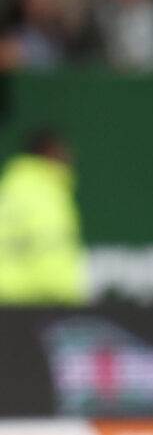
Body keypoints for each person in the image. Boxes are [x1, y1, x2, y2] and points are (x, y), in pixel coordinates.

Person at [0, 129, 88, 305]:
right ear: (48, 152)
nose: (69, 156)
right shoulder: (43, 192)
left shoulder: (11, 187)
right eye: (62, 150)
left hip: (11, 302)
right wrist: (67, 300)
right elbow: (50, 252)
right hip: (37, 304)